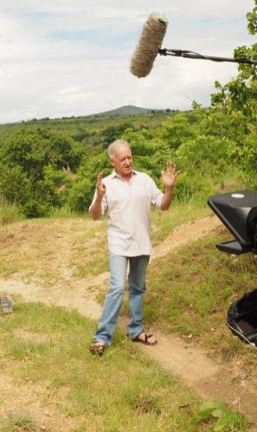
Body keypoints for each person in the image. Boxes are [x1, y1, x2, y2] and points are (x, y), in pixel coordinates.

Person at [88, 139, 179, 356]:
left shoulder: (145, 180)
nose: (128, 162)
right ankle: (101, 338)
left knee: (138, 288)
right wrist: (99, 197)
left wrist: (169, 188)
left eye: (130, 157)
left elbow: (163, 206)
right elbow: (95, 216)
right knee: (117, 288)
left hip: (141, 243)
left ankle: (135, 330)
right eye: (123, 159)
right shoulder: (106, 185)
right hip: (119, 244)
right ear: (113, 162)